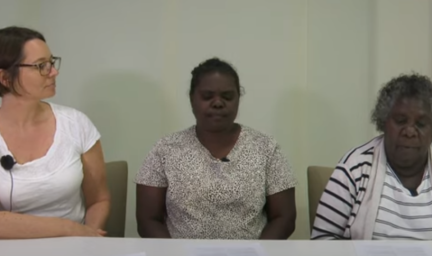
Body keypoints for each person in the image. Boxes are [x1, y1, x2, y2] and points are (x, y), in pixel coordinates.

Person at [135, 58, 298, 240]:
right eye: (207, 96)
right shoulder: (165, 149)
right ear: (192, 98)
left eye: (227, 97)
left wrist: (258, 253)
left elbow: (284, 218)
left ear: (238, 99)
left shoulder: (266, 147)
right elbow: (147, 219)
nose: (218, 103)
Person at [0, 26, 110, 239]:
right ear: (5, 78)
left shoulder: (76, 123)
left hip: (74, 246)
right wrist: (68, 229)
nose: (53, 71)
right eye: (41, 66)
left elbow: (99, 199)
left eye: (51, 62)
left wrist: (87, 239)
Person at [311, 73, 432, 240]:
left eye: (421, 124)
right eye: (400, 120)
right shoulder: (354, 168)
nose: (410, 132)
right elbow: (321, 241)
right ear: (383, 122)